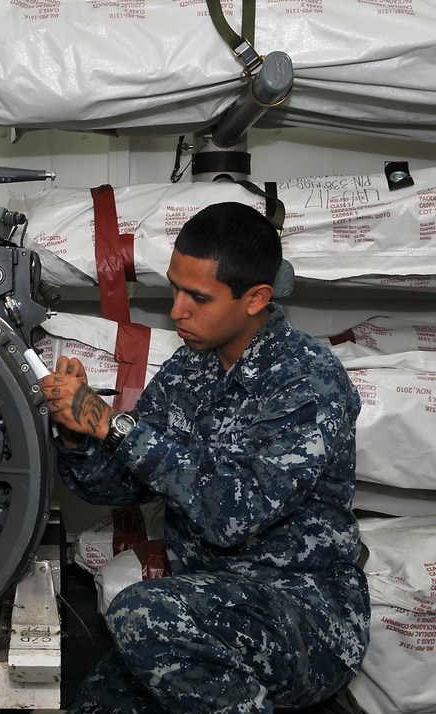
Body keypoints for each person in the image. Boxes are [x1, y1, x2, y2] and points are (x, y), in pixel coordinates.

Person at [43, 202, 369, 713]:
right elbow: (123, 486)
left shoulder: (307, 381)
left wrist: (111, 423)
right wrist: (76, 435)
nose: (177, 311)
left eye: (197, 297)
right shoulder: (190, 367)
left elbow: (232, 516)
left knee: (142, 615)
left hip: (306, 616)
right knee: (98, 702)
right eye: (174, 288)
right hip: (207, 604)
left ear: (256, 298)